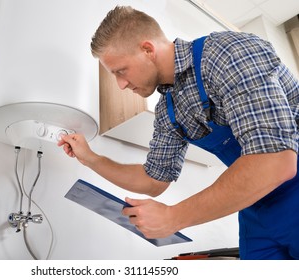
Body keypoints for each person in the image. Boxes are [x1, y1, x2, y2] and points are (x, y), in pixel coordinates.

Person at [57, 5, 299, 259]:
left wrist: (173, 217)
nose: (121, 84)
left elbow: (275, 161)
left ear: (148, 50)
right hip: (257, 209)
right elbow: (153, 181)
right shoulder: (168, 110)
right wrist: (91, 158)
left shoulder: (227, 53)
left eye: (121, 71)